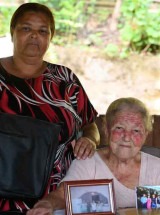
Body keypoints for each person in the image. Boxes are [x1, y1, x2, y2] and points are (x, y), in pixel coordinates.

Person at [0, 2, 100, 213]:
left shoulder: (65, 80)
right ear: (12, 32)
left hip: (56, 199)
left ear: (50, 37)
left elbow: (90, 124)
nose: (34, 36)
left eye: (42, 31)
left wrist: (89, 139)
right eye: (26, 28)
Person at [27, 97, 160, 214]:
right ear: (106, 130)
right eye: (119, 128)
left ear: (145, 134)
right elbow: (63, 195)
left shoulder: (157, 168)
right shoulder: (88, 162)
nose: (126, 137)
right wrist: (46, 204)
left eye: (136, 131)